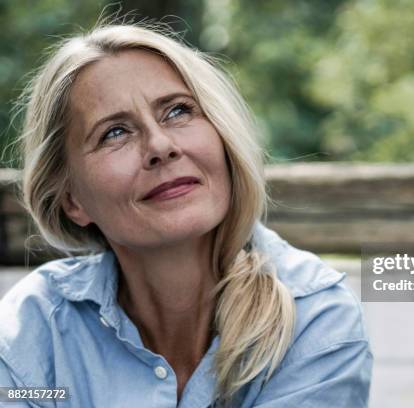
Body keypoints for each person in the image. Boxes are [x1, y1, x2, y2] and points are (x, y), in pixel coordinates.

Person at [0, 21, 372, 407]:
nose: (160, 145)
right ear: (72, 199)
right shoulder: (33, 329)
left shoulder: (316, 318)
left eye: (178, 111)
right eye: (114, 133)